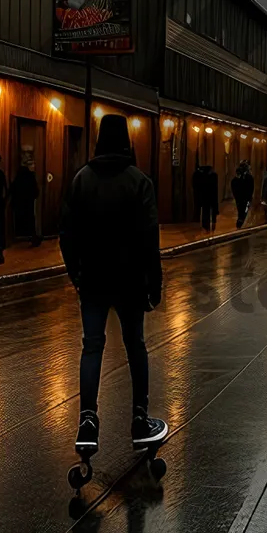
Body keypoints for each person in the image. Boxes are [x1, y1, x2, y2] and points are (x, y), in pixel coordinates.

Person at [60, 115, 167, 458]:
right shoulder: (139, 182)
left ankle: (87, 423)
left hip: (92, 278)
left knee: (92, 347)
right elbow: (151, 238)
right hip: (131, 280)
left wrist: (75, 272)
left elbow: (67, 233)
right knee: (135, 345)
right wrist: (155, 283)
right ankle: (139, 420)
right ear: (127, 141)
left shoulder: (81, 180)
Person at [12, 159, 40, 245]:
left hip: (19, 202)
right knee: (31, 219)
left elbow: (13, 188)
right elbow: (35, 190)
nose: (34, 166)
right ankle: (32, 237)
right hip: (29, 202)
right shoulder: (30, 176)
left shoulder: (19, 176)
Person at [192, 162, 219, 232]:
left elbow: (195, 185)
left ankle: (208, 225)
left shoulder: (199, 175)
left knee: (206, 210)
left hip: (205, 196)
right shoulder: (213, 175)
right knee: (209, 209)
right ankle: (210, 224)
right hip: (210, 195)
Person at [231, 160, 255, 228]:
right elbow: (251, 188)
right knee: (244, 211)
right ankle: (241, 223)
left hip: (241, 198)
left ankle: (240, 223)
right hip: (244, 198)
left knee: (241, 211)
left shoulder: (238, 179)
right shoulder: (248, 178)